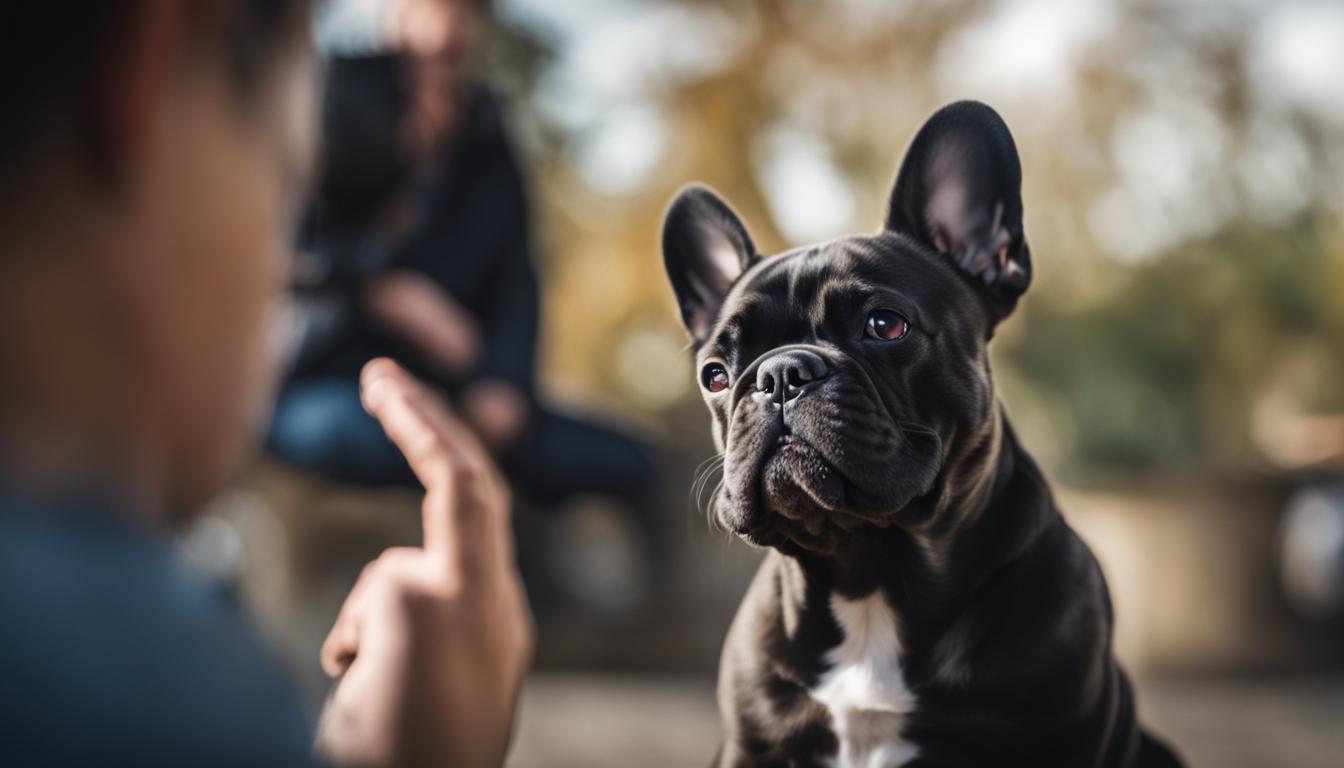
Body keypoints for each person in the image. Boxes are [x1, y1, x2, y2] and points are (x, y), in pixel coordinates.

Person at [0, 2, 532, 766]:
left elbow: (519, 286)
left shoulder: (486, 143)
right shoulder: (159, 696)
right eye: (286, 179)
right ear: (154, 61)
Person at [266, 0, 660, 521]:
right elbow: (278, 246)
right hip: (325, 377)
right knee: (350, 438)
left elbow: (517, 278)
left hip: (458, 392)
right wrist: (382, 291)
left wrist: (505, 383)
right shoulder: (329, 94)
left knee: (625, 460)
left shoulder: (488, 136)